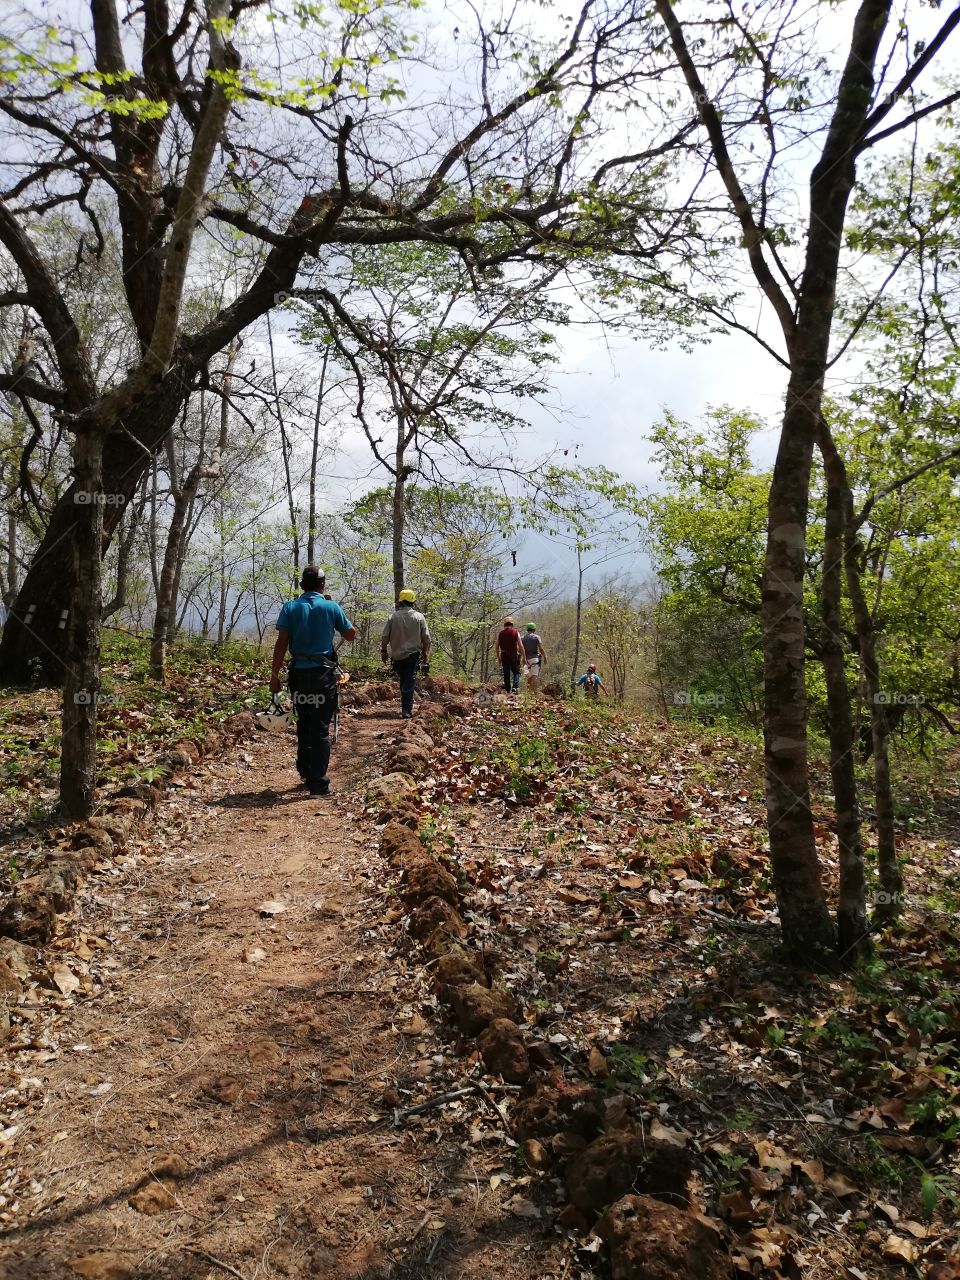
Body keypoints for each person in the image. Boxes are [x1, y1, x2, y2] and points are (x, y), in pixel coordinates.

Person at [270, 565, 355, 796]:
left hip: (299, 674)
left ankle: (306, 771)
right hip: (322, 677)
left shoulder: (290, 608)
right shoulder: (331, 607)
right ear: (322, 585)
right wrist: (333, 607)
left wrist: (274, 675)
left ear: (302, 586)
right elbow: (350, 635)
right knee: (319, 728)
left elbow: (281, 643)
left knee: (305, 723)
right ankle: (318, 782)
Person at [381, 588, 431, 719]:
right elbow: (426, 638)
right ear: (412, 602)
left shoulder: (392, 617)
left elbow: (385, 637)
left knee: (405, 681)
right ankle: (406, 709)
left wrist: (384, 651)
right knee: (408, 681)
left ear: (400, 602)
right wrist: (425, 654)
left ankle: (406, 706)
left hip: (397, 657)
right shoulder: (419, 617)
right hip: (412, 655)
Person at [495, 615, 523, 693]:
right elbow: (521, 645)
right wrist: (524, 656)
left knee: (506, 673)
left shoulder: (500, 633)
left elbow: (496, 646)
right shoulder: (515, 632)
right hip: (514, 655)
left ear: (504, 624)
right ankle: (515, 688)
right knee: (516, 672)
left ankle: (507, 690)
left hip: (504, 655)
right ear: (512, 624)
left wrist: (498, 657)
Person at [521, 622, 546, 690]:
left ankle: (529, 694)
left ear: (527, 629)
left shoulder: (522, 638)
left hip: (525, 660)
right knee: (534, 677)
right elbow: (541, 649)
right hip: (535, 659)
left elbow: (520, 649)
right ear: (534, 629)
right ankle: (534, 694)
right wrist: (545, 658)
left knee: (529, 678)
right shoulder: (536, 637)